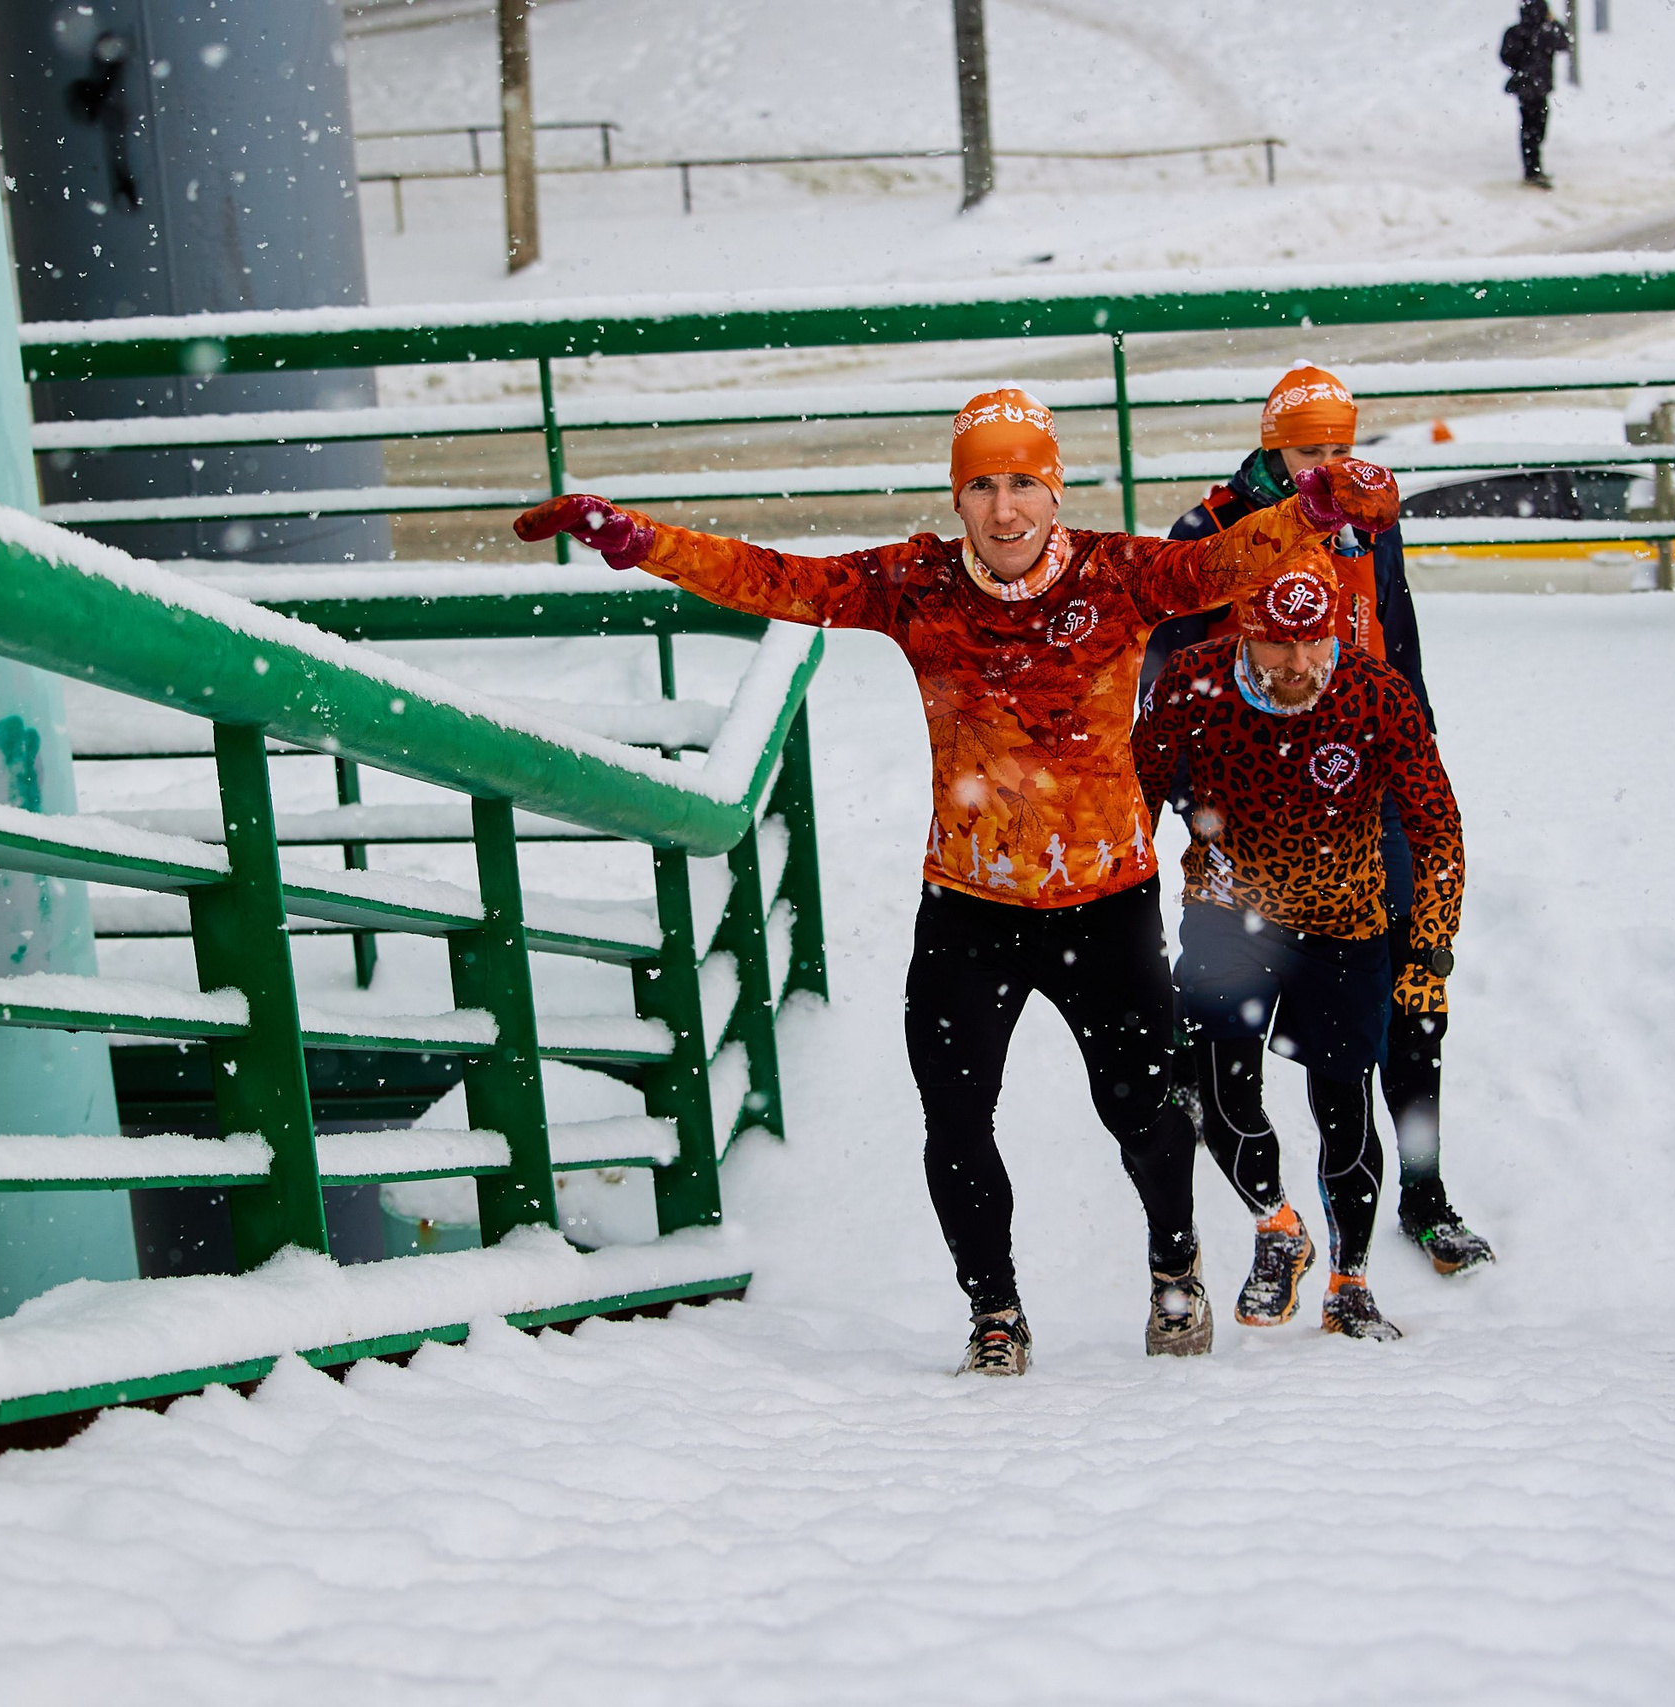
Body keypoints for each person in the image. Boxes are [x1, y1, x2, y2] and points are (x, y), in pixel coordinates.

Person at [514, 389, 1398, 1377]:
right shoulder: (916, 583)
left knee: (1145, 1112)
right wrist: (641, 541)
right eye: (981, 486)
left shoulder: (1118, 575)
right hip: (969, 910)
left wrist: (1313, 509)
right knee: (956, 1116)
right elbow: (779, 580)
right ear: (957, 496)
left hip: (1105, 905)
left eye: (1022, 483)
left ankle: (1174, 1266)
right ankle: (995, 1309)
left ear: (1054, 490)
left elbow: (1221, 565)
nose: (1003, 509)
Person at [1150, 364, 1492, 1284]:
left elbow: (1398, 637)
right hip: (1252, 806)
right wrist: (1197, 803)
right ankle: (1248, 1177)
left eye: (1341, 446)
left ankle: (1423, 1192)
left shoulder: (1370, 519)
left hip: (1366, 784)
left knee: (1414, 992)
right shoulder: (1210, 531)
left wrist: (1417, 752)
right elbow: (1165, 680)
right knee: (1234, 1010)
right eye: (1309, 449)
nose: (1328, 465)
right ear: (1272, 445)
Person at [1134, 560, 1465, 1339]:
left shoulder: (1376, 693)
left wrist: (1430, 949)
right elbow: (1134, 796)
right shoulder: (1192, 682)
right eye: (1280, 644)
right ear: (1246, 630)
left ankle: (1351, 1282)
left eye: (1315, 641)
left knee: (1344, 1107)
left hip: (1344, 919)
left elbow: (1438, 826)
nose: (1300, 663)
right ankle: (1277, 1225)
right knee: (1220, 1098)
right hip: (1227, 910)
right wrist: (1124, 923)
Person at [1499, 0, 1573, 188]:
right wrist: (1552, 21)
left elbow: (1506, 56)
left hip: (1526, 86)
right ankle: (1533, 171)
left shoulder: (1516, 32)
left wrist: (1520, 68)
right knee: (1536, 128)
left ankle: (1533, 169)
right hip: (1539, 87)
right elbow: (1565, 42)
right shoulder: (1547, 31)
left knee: (1529, 128)